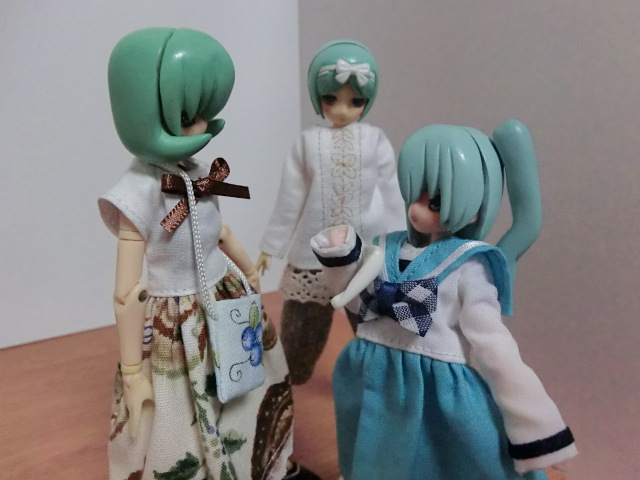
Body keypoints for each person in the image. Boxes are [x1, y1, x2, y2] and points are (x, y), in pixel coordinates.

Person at [311, 121, 577, 479]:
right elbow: (357, 303)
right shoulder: (385, 247)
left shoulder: (469, 267)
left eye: (434, 201)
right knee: (372, 453)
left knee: (458, 459)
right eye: (413, 193)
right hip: (372, 372)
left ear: (474, 208)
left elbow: (495, 346)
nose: (416, 209)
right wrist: (341, 256)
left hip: (435, 389)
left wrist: (537, 428)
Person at [99, 27, 300, 480]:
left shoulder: (201, 172)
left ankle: (258, 464)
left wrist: (248, 270)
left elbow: (218, 230)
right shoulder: (140, 190)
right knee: (182, 410)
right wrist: (132, 371)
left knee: (250, 385)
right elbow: (128, 294)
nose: (203, 126)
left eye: (207, 113)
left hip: (227, 297)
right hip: (177, 319)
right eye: (190, 114)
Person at [255, 40, 405, 384]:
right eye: (331, 99)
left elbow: (391, 192)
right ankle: (290, 378)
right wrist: (271, 245)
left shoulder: (375, 140)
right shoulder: (308, 142)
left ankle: (380, 380)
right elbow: (290, 197)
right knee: (301, 328)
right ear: (317, 97)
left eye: (356, 102)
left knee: (374, 328)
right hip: (313, 252)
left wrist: (401, 243)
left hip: (366, 252)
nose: (342, 110)